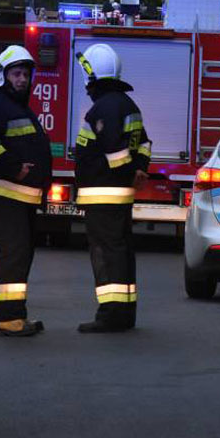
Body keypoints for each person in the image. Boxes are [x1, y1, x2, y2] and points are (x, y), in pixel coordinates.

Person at [0, 45, 52, 336]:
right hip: (5, 192)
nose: (22, 80)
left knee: (19, 252)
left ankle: (10, 312)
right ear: (4, 76)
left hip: (20, 195)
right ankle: (9, 319)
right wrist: (14, 168)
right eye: (16, 74)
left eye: (26, 74)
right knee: (14, 252)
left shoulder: (17, 107)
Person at [73, 44, 152, 333]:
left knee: (106, 254)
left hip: (102, 194)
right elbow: (144, 143)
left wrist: (128, 169)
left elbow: (115, 152)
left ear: (92, 73)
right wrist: (140, 168)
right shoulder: (128, 105)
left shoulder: (103, 108)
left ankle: (110, 314)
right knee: (121, 251)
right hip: (119, 195)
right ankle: (125, 312)